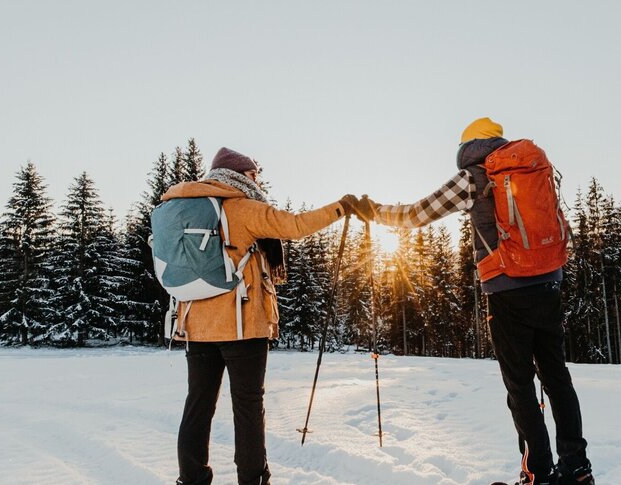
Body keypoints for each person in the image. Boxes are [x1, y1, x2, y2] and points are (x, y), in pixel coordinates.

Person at [363, 118, 594, 485]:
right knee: (556, 377)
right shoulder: (529, 167)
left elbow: (416, 215)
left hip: (506, 289)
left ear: (467, 146)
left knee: (520, 385)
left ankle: (539, 474)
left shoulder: (473, 176)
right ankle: (577, 469)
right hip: (549, 282)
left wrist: (372, 210)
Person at [166, 147, 373, 485]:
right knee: (247, 407)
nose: (257, 181)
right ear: (240, 175)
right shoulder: (243, 208)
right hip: (241, 324)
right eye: (253, 176)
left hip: (196, 325)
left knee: (198, 405)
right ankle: (253, 480)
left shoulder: (185, 209)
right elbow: (294, 225)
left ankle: (191, 479)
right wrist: (342, 207)